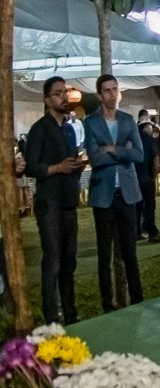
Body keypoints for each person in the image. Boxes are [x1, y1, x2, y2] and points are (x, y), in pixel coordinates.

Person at [83, 74, 145, 312]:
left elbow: (139, 155)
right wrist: (123, 151)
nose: (111, 94)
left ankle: (137, 300)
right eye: (107, 90)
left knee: (130, 252)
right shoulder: (91, 123)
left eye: (114, 89)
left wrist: (112, 149)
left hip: (127, 194)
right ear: (99, 95)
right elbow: (95, 159)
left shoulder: (128, 121)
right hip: (103, 195)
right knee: (104, 254)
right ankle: (108, 305)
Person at [24, 77, 84, 324]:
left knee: (69, 262)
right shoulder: (40, 129)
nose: (64, 97)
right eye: (58, 93)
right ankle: (51, 317)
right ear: (47, 99)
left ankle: (70, 312)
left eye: (65, 92)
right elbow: (30, 167)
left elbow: (70, 162)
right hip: (49, 203)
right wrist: (58, 167)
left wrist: (76, 166)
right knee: (53, 262)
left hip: (68, 201)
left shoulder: (68, 129)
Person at [135, 112, 160, 242]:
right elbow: (156, 163)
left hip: (134, 179)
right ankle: (151, 231)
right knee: (150, 206)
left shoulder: (133, 139)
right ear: (146, 127)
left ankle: (136, 232)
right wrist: (154, 176)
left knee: (137, 206)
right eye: (151, 126)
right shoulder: (151, 141)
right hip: (146, 178)